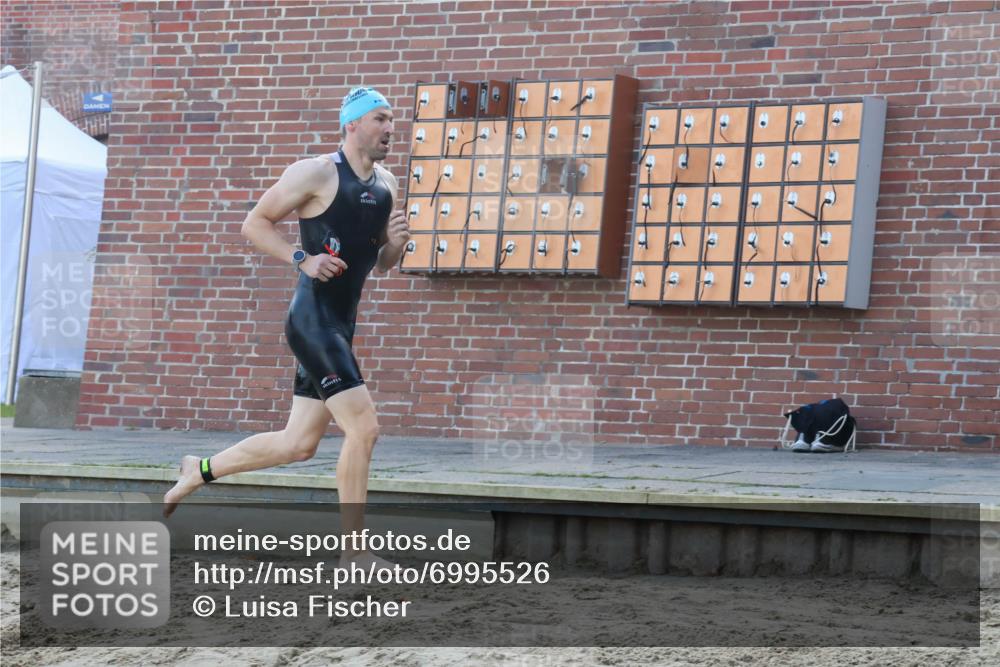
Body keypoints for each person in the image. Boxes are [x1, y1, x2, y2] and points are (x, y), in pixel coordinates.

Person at [163, 87, 410, 570]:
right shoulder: (316, 172)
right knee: (365, 428)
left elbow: (380, 264)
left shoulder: (387, 184)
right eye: (381, 119)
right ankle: (355, 553)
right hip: (312, 322)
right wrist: (303, 258)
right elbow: (255, 223)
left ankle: (199, 470)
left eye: (392, 121)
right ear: (353, 124)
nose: (390, 129)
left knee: (298, 444)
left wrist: (396, 246)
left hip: (341, 323)